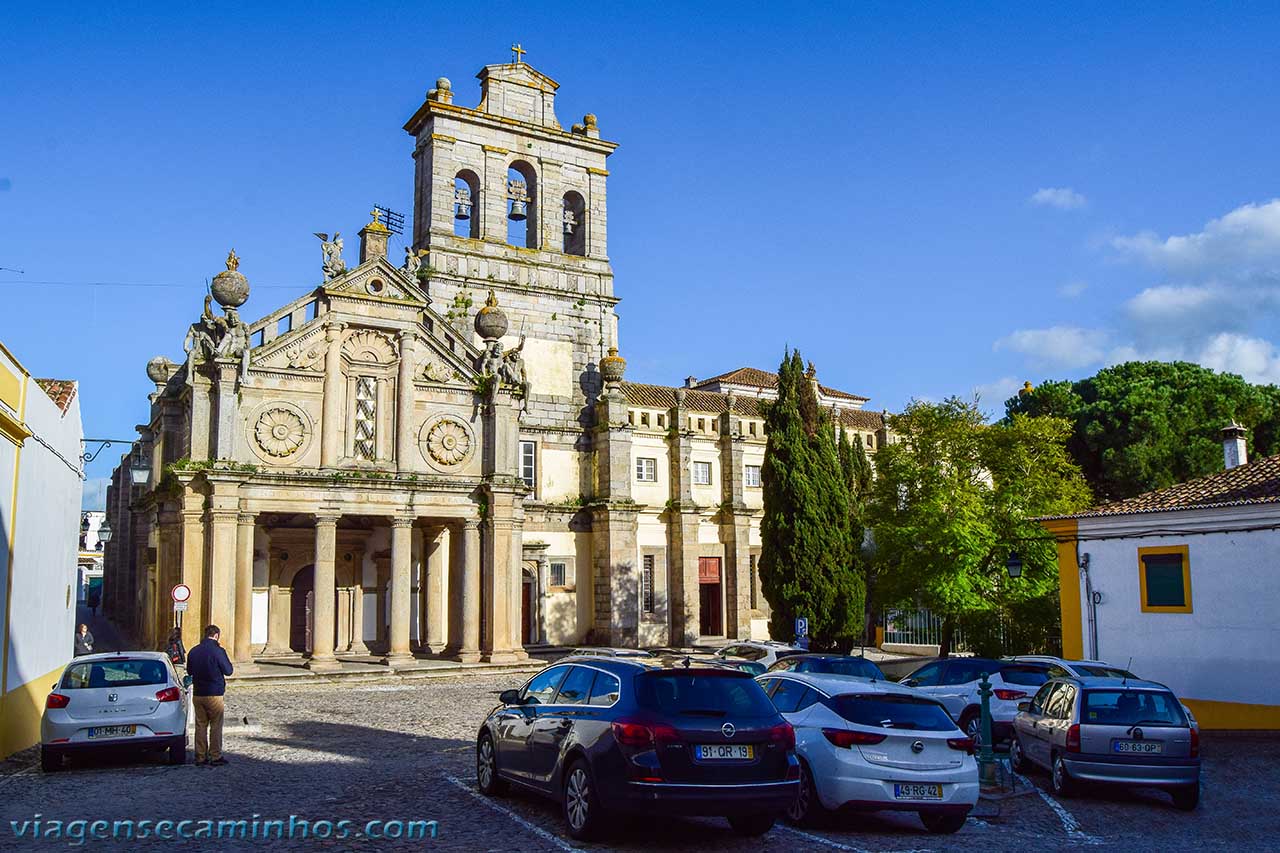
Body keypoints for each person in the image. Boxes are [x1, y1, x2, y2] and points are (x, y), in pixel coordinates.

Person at [185, 624, 234, 767]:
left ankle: (200, 756)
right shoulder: (218, 651)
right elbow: (228, 670)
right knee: (216, 725)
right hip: (214, 693)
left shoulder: (194, 651)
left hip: (198, 693)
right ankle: (215, 755)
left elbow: (189, 671)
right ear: (217, 635)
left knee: (200, 725)